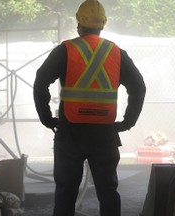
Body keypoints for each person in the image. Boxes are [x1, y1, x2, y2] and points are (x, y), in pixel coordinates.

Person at [33, 0, 146, 216]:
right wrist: (127, 122)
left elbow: (40, 82)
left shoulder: (65, 50)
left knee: (66, 193)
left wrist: (46, 118)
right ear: (102, 26)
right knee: (108, 192)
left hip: (70, 133)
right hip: (104, 134)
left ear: (79, 25)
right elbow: (139, 88)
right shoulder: (116, 52)